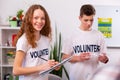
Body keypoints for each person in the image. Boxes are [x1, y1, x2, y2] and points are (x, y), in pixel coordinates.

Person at [62, 4, 109, 80]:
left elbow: (105, 59)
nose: (89, 23)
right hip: (76, 77)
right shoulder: (71, 35)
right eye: (86, 20)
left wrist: (105, 59)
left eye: (91, 20)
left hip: (94, 77)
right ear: (80, 18)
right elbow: (64, 57)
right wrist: (78, 58)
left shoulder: (99, 35)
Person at [13, 4, 59, 80]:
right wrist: (41, 67)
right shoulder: (23, 41)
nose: (39, 21)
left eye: (42, 18)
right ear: (29, 19)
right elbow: (16, 70)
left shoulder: (46, 40)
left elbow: (40, 61)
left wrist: (52, 65)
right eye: (36, 18)